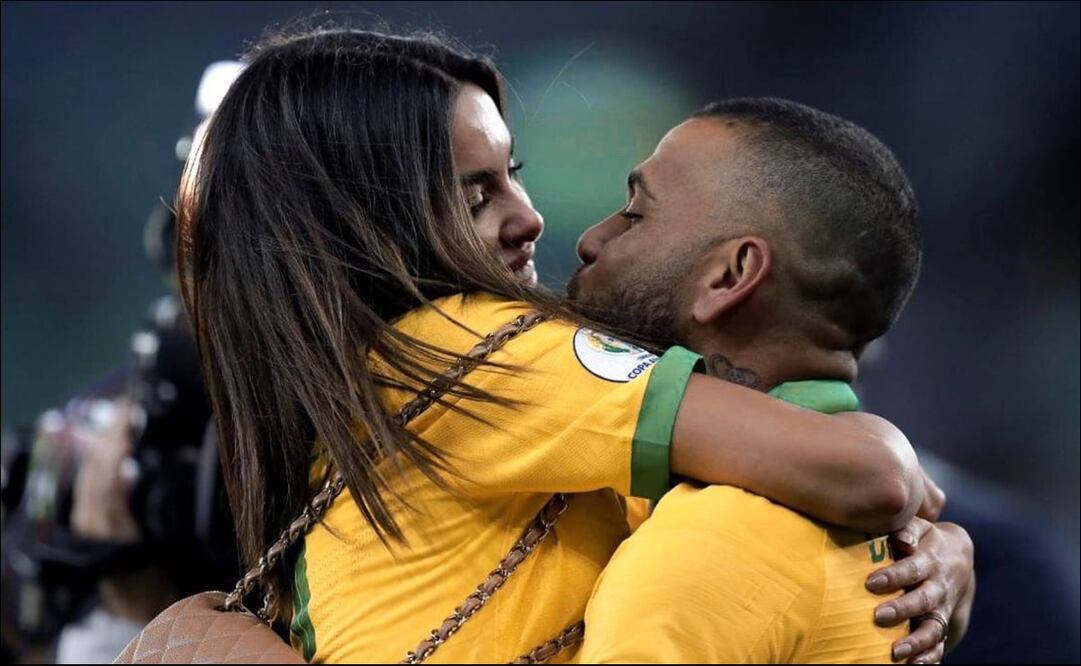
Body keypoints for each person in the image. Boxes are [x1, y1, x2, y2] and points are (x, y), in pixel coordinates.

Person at [179, 28, 956, 663]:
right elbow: (866, 475)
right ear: (368, 222)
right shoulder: (474, 351)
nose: (534, 219)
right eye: (476, 196)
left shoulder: (400, 375)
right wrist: (916, 506)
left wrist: (939, 548)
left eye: (511, 175)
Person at [566, 98, 975, 664]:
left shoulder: (716, 543)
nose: (592, 239)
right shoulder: (893, 542)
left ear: (730, 275)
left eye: (635, 215)